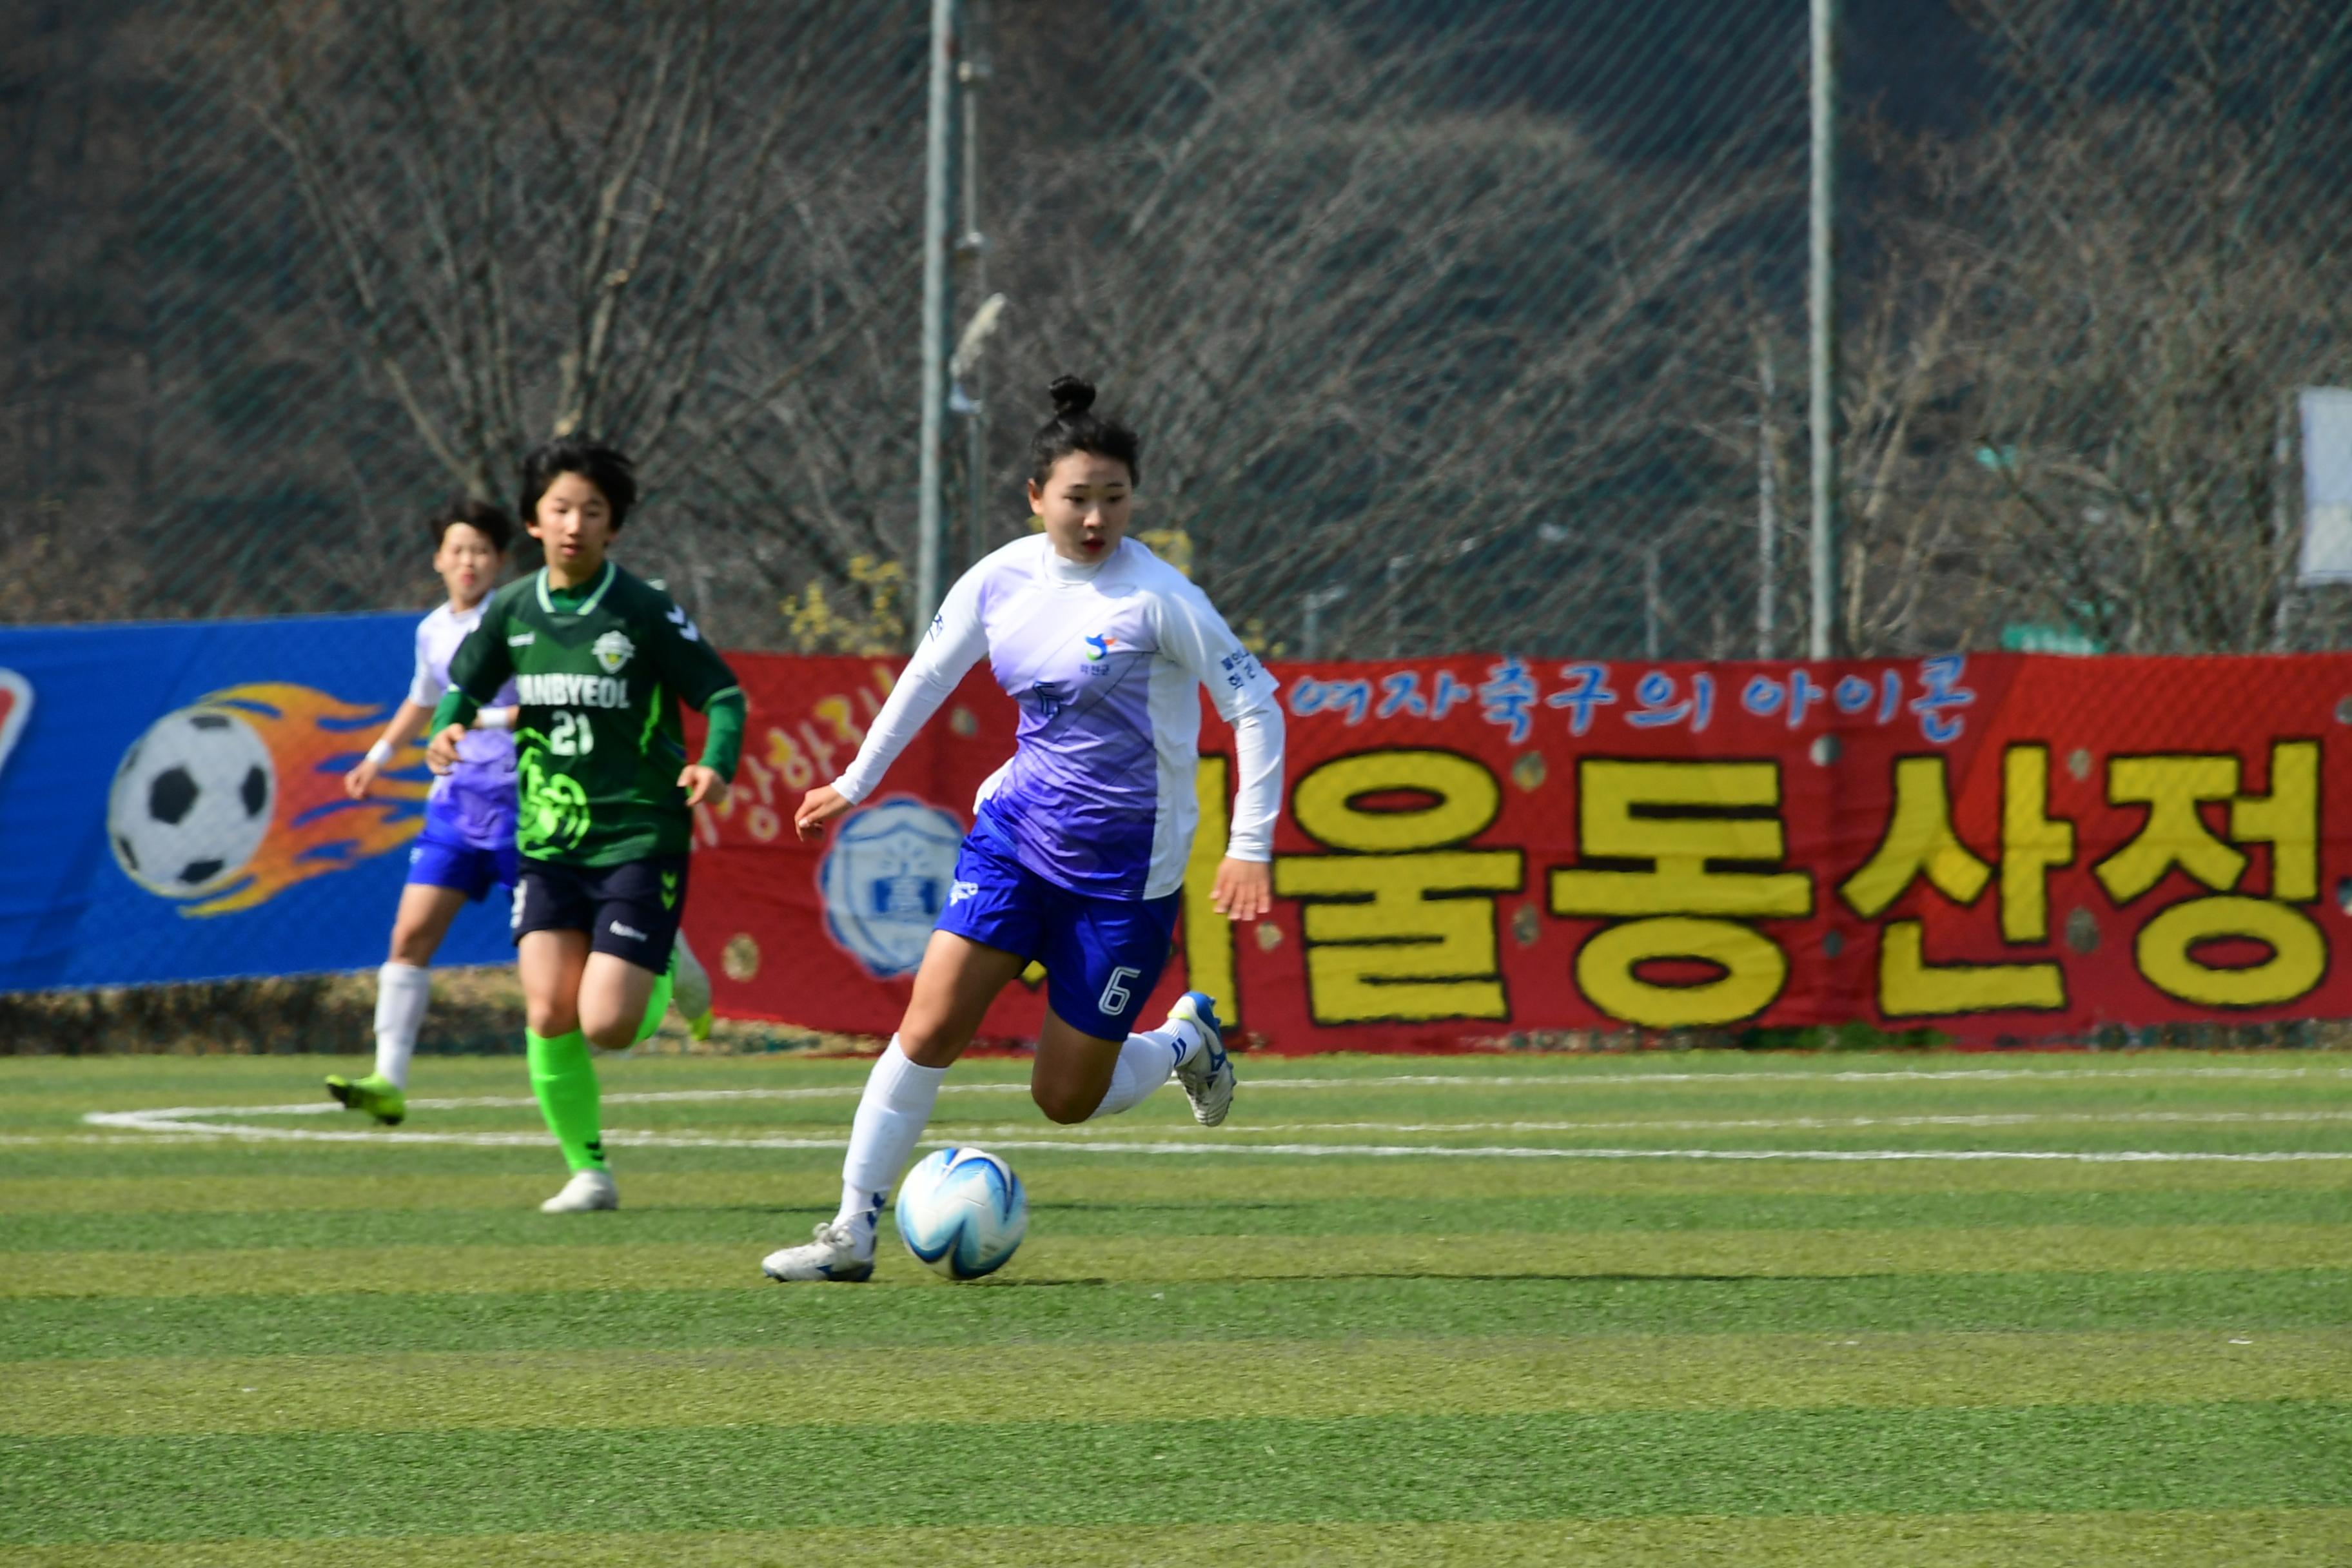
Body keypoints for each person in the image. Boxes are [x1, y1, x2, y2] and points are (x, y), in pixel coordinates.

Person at [761, 375, 1284, 1283]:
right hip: (1014, 838)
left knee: (1064, 1097)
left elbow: (1255, 709)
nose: (1095, 518)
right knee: (929, 1026)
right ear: (1036, 496)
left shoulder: (1161, 598)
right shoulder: (998, 580)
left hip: (1126, 874)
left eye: (1114, 499)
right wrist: (854, 782)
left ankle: (1182, 1045)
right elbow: (926, 678)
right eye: (1077, 498)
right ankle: (849, 1231)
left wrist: (1249, 845)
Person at [426, 438, 746, 1212]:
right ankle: (588, 1170)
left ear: (614, 525)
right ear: (534, 521)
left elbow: (723, 695)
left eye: (592, 510)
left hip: (638, 833)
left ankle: (666, 957)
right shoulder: (512, 609)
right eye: (560, 508)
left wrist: (716, 764)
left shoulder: (641, 608)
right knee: (546, 1009)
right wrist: (445, 727)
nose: (575, 523)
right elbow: (461, 687)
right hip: (545, 839)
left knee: (607, 1024)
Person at [328, 500, 520, 1126]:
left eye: (482, 551)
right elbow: (423, 699)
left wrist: (472, 718)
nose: (469, 562)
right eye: (458, 550)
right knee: (409, 937)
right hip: (455, 806)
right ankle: (389, 1079)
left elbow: (542, 705)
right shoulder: (433, 629)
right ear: (439, 559)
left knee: (572, 942)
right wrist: (378, 755)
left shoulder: (518, 621)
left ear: (499, 561)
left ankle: (669, 962)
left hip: (526, 801)